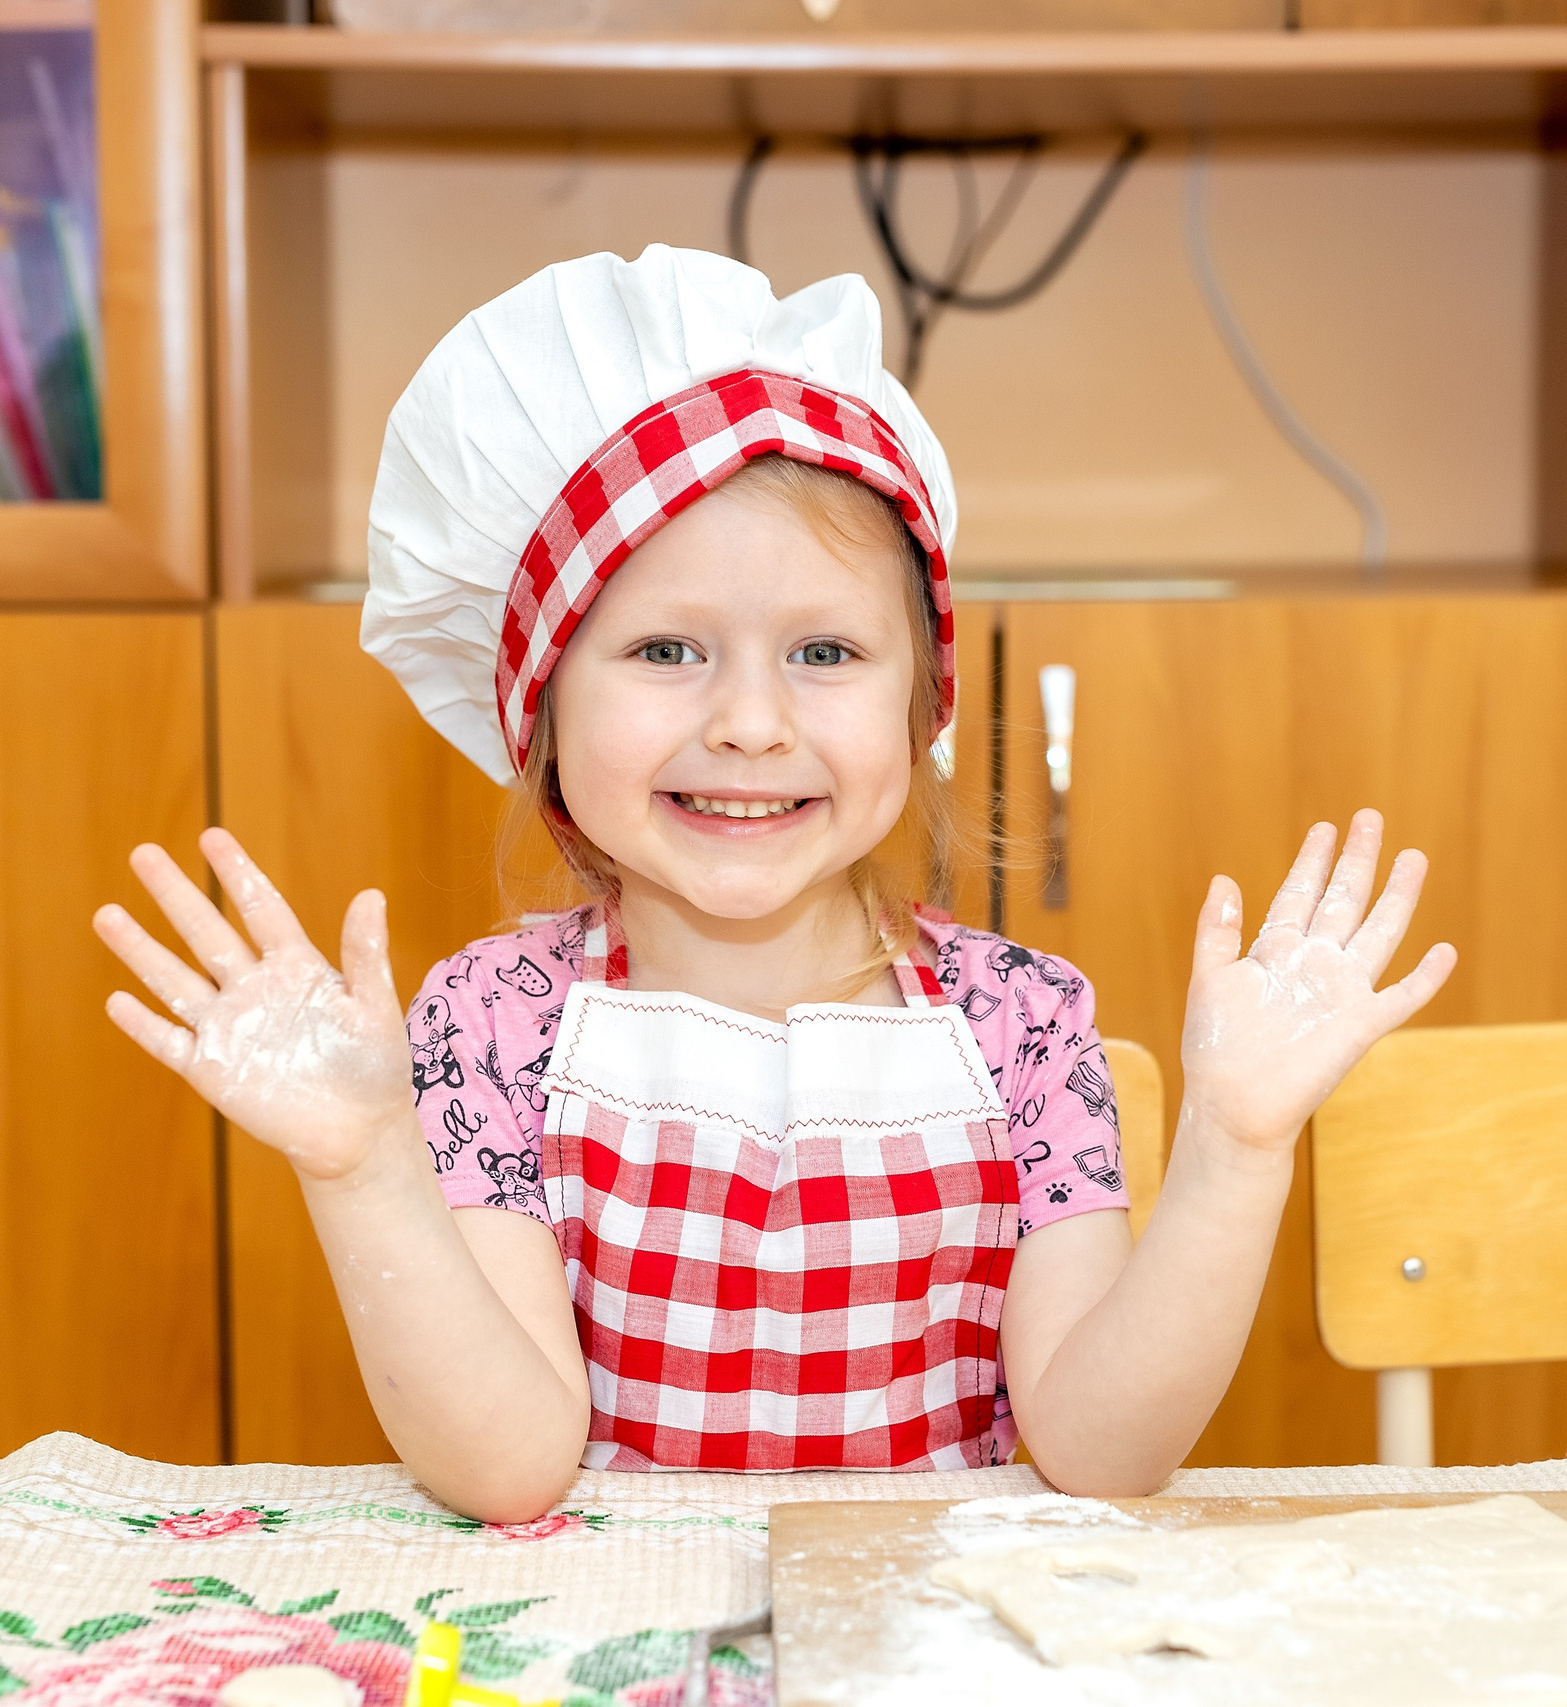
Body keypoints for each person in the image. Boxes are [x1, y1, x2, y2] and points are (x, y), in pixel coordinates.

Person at [94, 246, 1454, 1522]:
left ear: (924, 697)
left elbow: (1101, 1451)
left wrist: (1236, 1152)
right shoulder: (486, 1024)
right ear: (542, 715)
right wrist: (367, 1170)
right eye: (668, 651)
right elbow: (508, 1472)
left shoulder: (1026, 1025)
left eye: (824, 654)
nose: (751, 722)